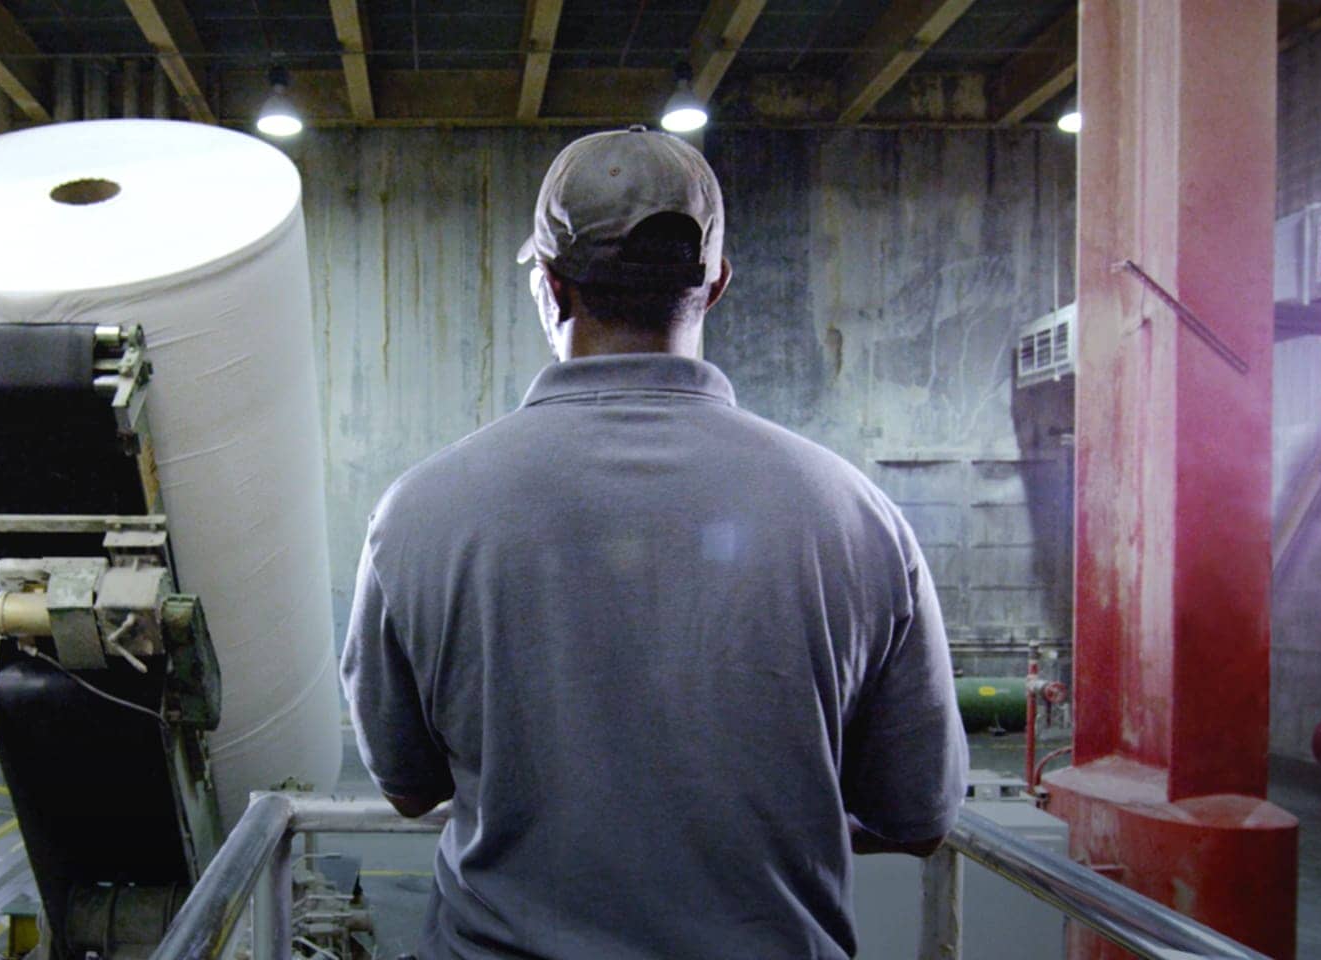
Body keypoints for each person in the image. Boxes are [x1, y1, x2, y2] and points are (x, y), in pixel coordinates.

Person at [340, 126, 966, 959]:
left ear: (551, 289)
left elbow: (408, 786)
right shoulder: (856, 515)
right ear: (715, 285)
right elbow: (919, 816)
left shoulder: (418, 513)